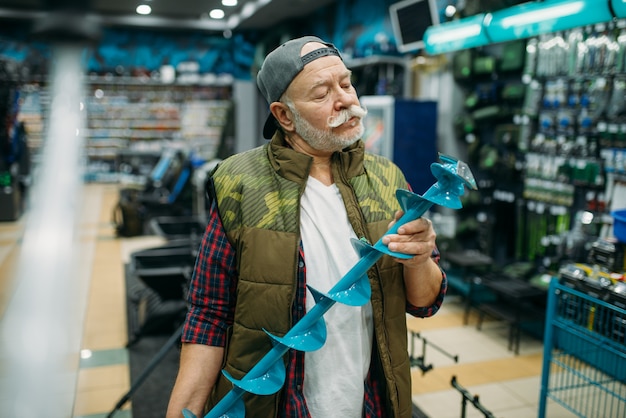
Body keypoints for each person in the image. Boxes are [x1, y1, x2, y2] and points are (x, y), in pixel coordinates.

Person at [166, 35, 447, 418]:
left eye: (346, 84)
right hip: (278, 406)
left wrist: (419, 261)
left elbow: (425, 302)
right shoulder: (238, 183)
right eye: (321, 93)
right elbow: (209, 315)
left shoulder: (387, 178)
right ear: (284, 116)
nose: (346, 100)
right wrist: (183, 410)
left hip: (372, 404)